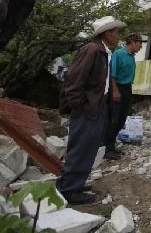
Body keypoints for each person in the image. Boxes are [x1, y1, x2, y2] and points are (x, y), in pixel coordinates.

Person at [56, 16, 126, 204]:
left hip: (96, 106)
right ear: (107, 33)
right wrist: (80, 106)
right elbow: (74, 80)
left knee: (88, 147)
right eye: (116, 32)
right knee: (81, 148)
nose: (118, 36)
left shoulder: (103, 51)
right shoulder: (92, 50)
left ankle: (73, 183)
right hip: (87, 108)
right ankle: (69, 190)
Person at [104, 33, 146, 159]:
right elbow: (112, 74)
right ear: (132, 42)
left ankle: (112, 145)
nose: (140, 47)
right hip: (118, 88)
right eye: (139, 44)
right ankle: (107, 149)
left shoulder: (131, 56)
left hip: (127, 88)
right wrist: (115, 91)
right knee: (114, 118)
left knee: (122, 118)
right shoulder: (118, 54)